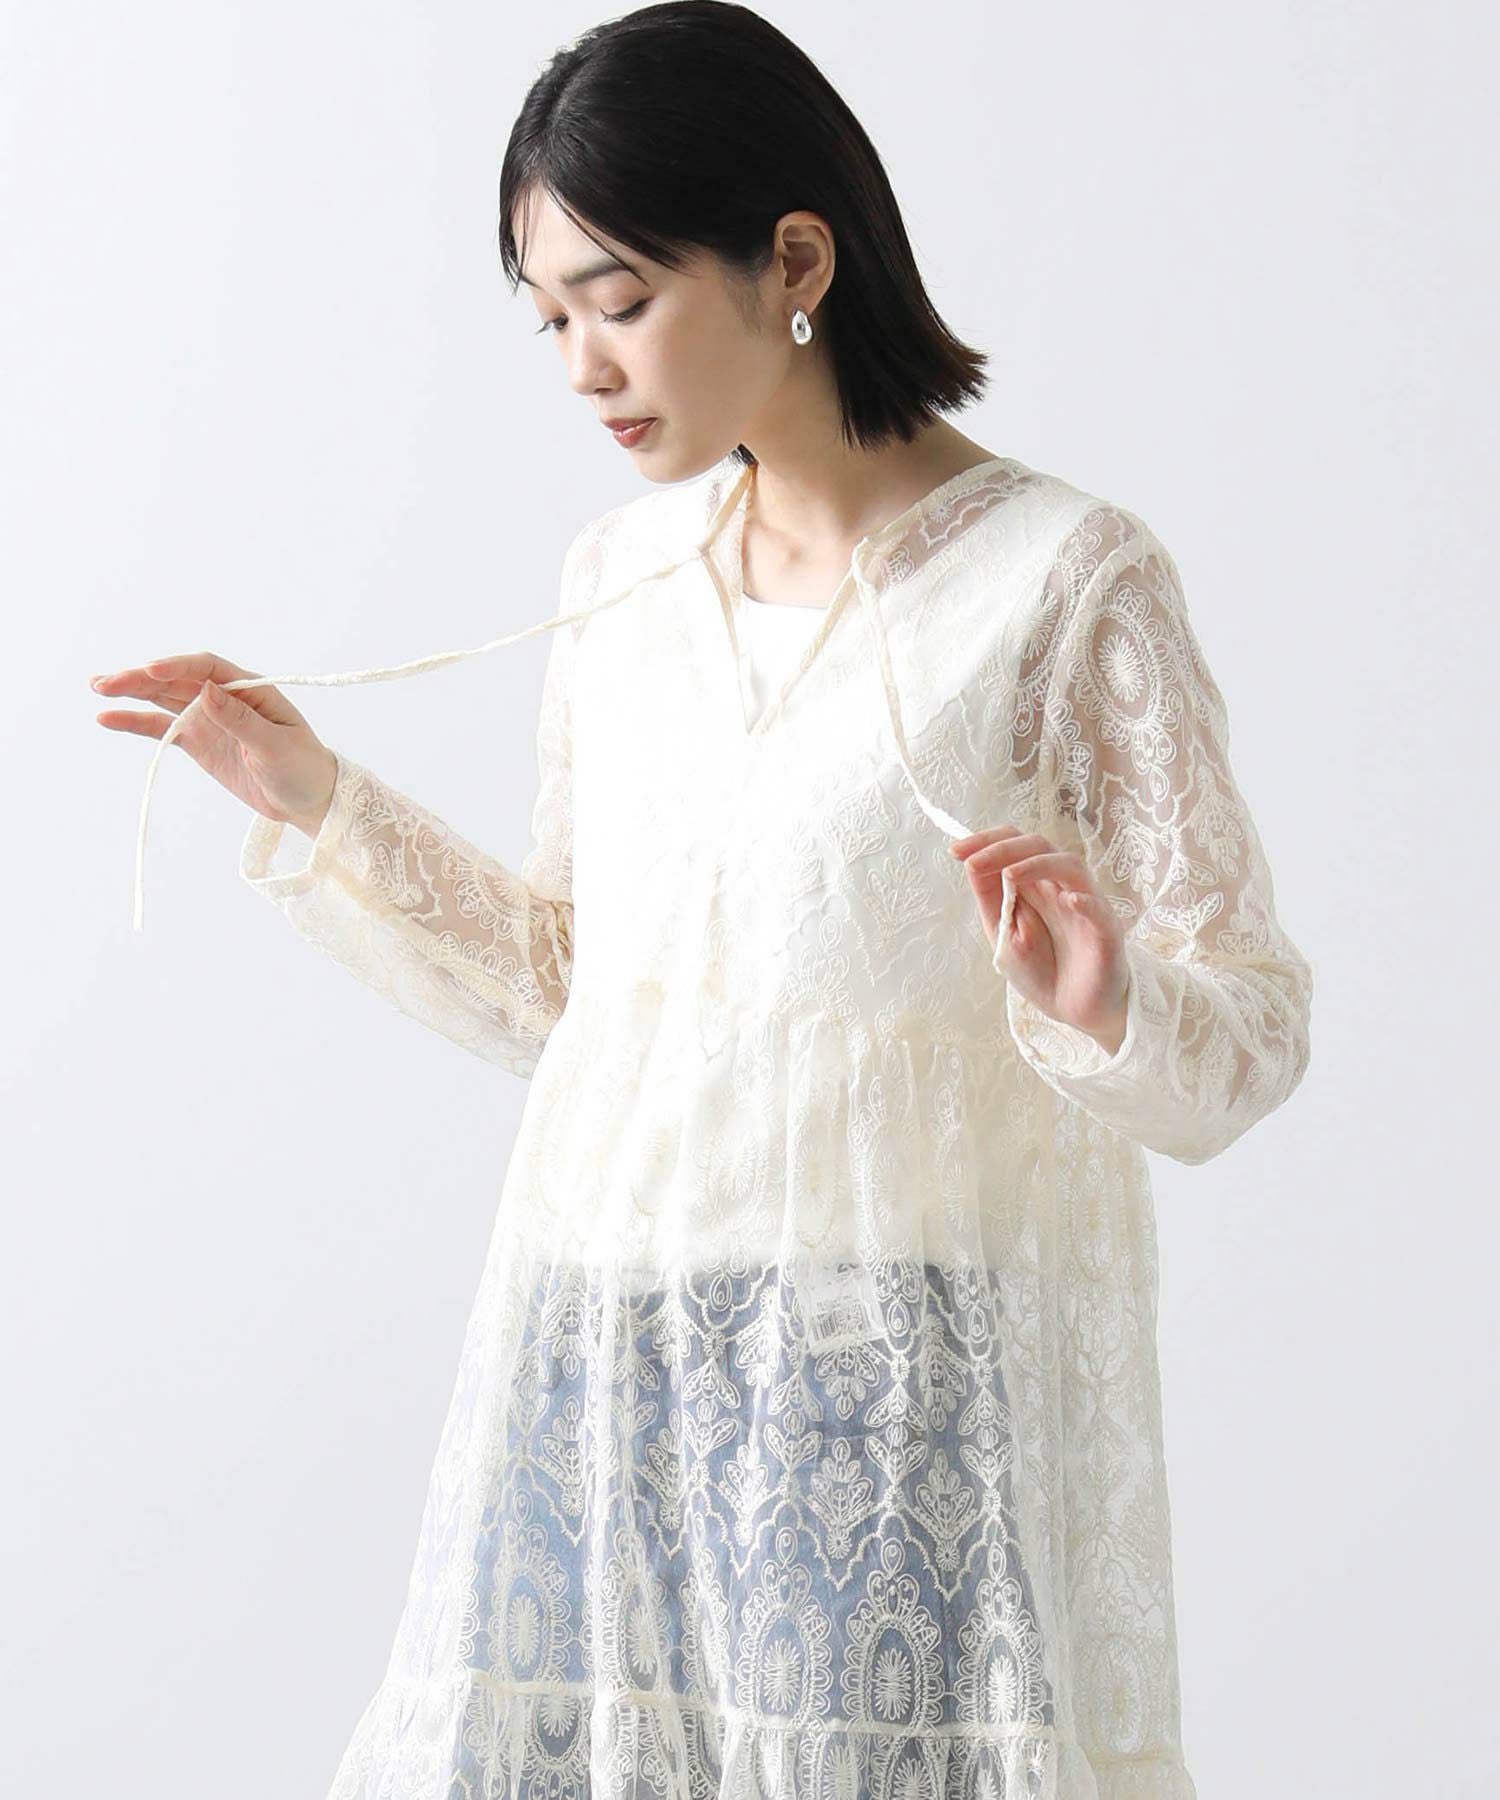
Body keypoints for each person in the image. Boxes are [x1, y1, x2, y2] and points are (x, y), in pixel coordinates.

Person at [90, 5, 1314, 1796]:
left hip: (888, 1371)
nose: (584, 367)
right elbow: (572, 993)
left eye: (620, 298)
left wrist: (1107, 1005)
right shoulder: (623, 579)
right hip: (600, 1343)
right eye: (549, 319)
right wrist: (323, 804)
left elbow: (1251, 1022)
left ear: (795, 261)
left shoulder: (1061, 580)